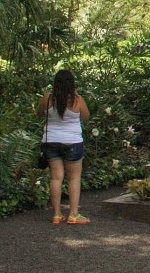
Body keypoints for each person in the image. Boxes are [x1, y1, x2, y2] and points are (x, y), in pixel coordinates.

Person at [36, 69, 91, 225]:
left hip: (51, 141)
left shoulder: (47, 98)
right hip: (72, 142)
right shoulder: (77, 100)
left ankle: (56, 214)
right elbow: (86, 117)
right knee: (74, 178)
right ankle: (73, 214)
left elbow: (38, 113)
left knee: (56, 177)